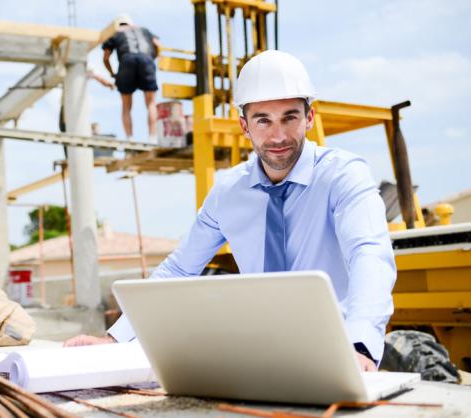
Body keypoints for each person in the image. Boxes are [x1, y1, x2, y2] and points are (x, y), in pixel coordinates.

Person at [64, 50, 396, 372]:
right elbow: (180, 269)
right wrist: (115, 338)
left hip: (339, 351)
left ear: (309, 117)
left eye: (289, 117)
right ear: (244, 126)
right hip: (262, 353)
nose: (278, 135)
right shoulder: (229, 192)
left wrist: (361, 346)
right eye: (263, 120)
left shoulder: (343, 175)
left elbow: (368, 253)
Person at [102, 13, 161, 142]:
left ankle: (130, 138)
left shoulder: (116, 32)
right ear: (131, 23)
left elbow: (106, 57)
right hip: (147, 60)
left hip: (126, 61)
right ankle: (152, 138)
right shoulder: (143, 29)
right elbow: (157, 45)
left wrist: (112, 73)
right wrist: (151, 59)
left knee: (126, 106)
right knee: (151, 103)